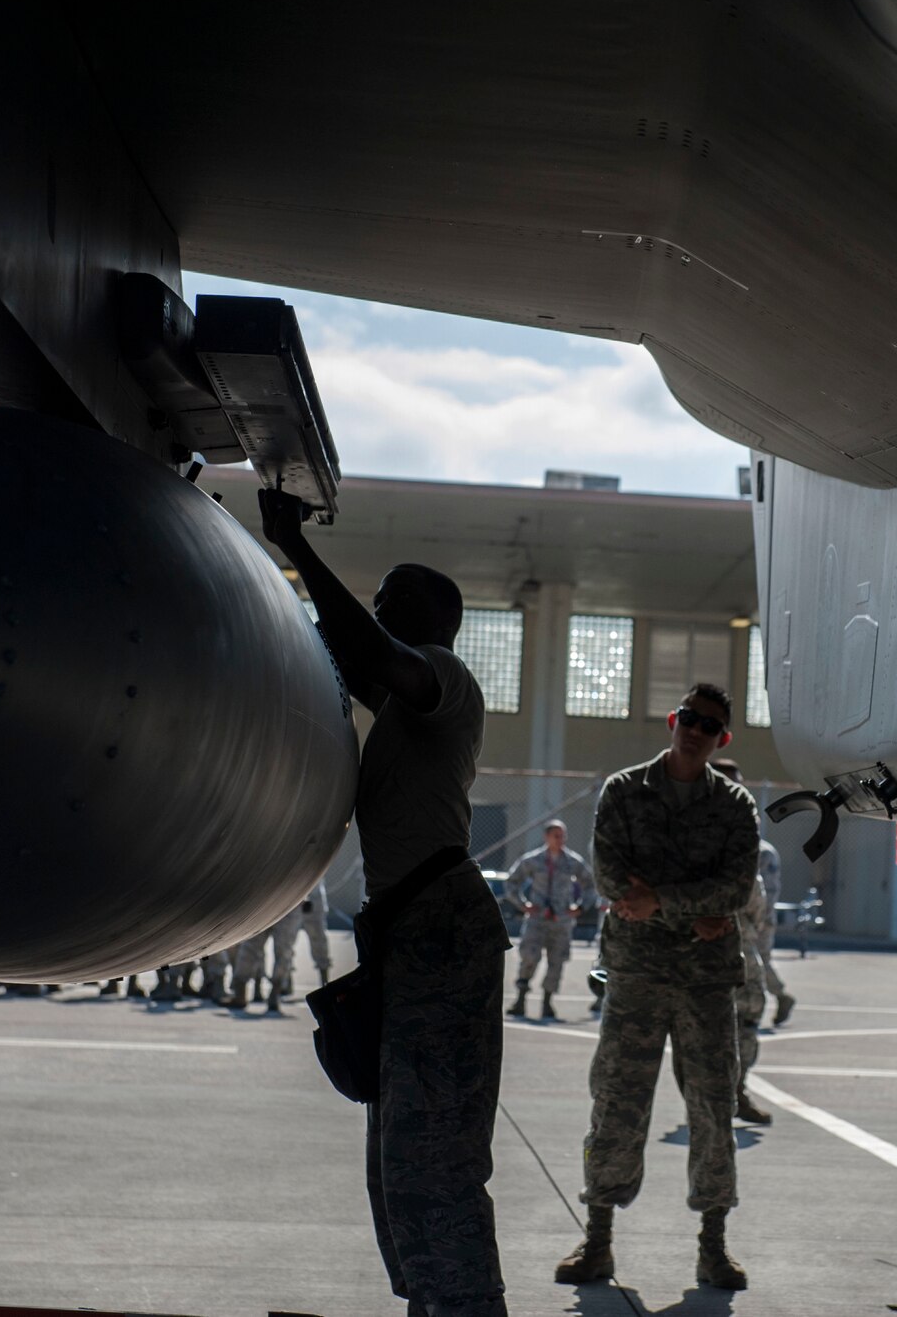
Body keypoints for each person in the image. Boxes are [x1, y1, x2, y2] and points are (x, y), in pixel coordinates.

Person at [263, 486, 509, 1317]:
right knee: (403, 1160)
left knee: (433, 1159)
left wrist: (297, 548)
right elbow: (346, 643)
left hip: (437, 926)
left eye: (388, 601)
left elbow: (367, 648)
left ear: (427, 619)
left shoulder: (443, 678)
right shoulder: (407, 711)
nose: (373, 611)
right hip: (414, 932)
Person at [558, 684, 760, 1292]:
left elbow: (735, 889)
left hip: (703, 984)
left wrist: (663, 900)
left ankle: (714, 1248)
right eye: (690, 719)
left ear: (722, 738)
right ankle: (597, 1241)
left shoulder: (735, 806)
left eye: (711, 725)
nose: (697, 730)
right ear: (673, 720)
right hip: (638, 979)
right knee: (616, 1105)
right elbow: (613, 878)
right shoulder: (623, 792)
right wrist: (691, 907)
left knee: (712, 1112)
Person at [711, 761, 773, 1124]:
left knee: (748, 1016)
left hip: (744, 943)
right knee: (711, 1026)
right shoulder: (698, 834)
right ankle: (712, 1097)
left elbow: (756, 902)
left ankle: (736, 1091)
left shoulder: (744, 832)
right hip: (710, 943)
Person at [505, 820, 595, 1020]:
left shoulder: (572, 861)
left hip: (561, 921)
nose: (560, 840)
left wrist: (580, 908)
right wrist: (523, 905)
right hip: (537, 919)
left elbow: (590, 884)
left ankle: (547, 1002)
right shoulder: (534, 860)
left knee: (557, 961)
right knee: (529, 957)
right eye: (556, 835)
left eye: (563, 836)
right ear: (547, 837)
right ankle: (520, 1000)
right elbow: (512, 882)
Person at [752, 837, 796, 1026]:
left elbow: (766, 890)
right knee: (758, 961)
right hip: (757, 916)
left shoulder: (762, 851)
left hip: (759, 917)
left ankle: (780, 995)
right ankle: (779, 996)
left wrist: (760, 918)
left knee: (759, 961)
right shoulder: (761, 848)